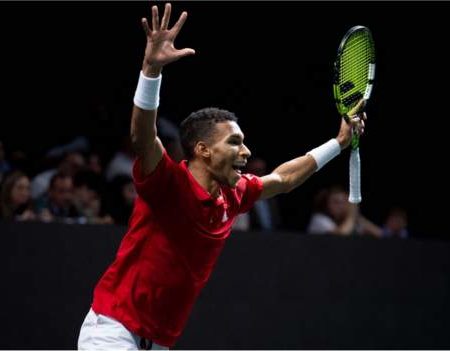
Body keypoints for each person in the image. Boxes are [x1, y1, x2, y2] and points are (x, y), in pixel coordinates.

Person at [77, 3, 367, 350]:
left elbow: (283, 179)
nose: (246, 152)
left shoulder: (233, 195)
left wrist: (338, 142)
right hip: (113, 330)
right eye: (235, 142)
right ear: (203, 150)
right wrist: (150, 70)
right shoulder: (168, 185)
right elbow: (143, 137)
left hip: (157, 342)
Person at [307, 185, 382, 237]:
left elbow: (381, 235)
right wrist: (352, 215)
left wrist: (357, 217)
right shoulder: (319, 219)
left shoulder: (351, 220)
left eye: (344, 202)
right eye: (336, 202)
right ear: (326, 204)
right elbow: (340, 238)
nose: (341, 206)